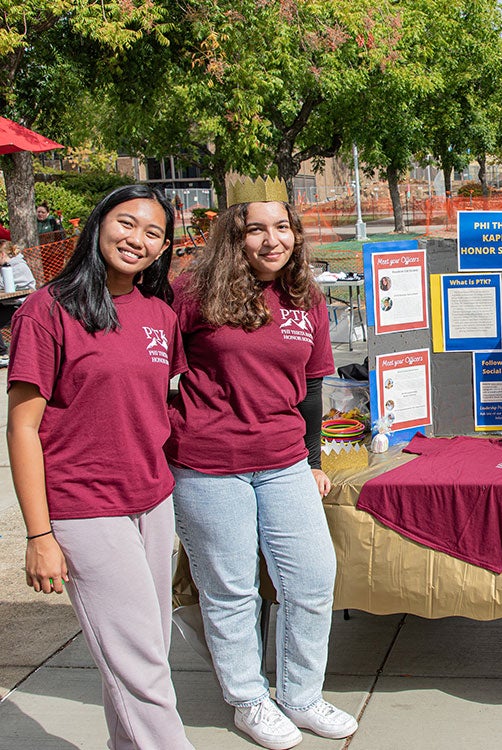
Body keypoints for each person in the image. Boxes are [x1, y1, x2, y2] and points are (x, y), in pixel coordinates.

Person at [167, 177, 355, 749]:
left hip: (283, 461)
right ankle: (249, 699)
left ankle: (299, 695)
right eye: (256, 229)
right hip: (208, 463)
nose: (272, 240)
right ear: (235, 235)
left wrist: (315, 459)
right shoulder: (193, 293)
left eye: (282, 227)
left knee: (313, 577)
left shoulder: (307, 299)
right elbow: (151, 374)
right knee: (230, 589)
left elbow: (313, 388)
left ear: (296, 235)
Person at [6, 185, 193, 749]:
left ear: (163, 249)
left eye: (153, 233)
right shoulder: (48, 309)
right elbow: (21, 428)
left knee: (144, 651)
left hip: (152, 502)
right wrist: (40, 535)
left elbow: (158, 407)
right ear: (99, 223)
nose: (137, 239)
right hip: (86, 509)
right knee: (141, 665)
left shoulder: (160, 314)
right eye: (126, 223)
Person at [0, 240, 38, 365]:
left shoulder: (17, 266)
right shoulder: (5, 266)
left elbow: (7, 286)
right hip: (9, 302)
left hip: (22, 305)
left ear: (2, 254)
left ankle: (3, 354)